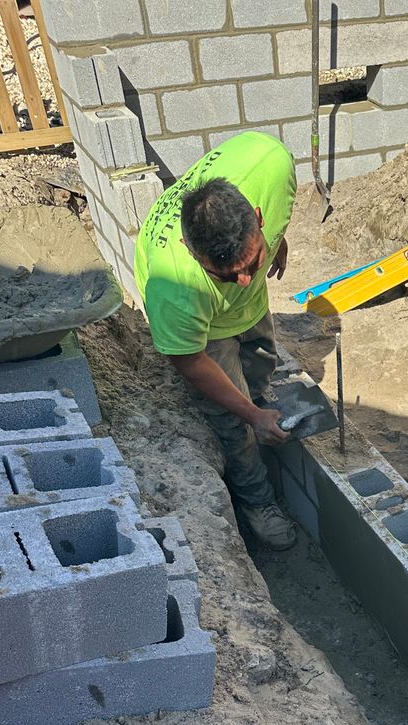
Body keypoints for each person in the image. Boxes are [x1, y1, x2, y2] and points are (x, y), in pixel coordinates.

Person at [135, 131, 297, 548]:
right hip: (200, 322)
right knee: (233, 422)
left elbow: (246, 266)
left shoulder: (272, 164)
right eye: (226, 274)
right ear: (192, 251)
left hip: (238, 264)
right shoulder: (174, 287)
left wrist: (277, 243)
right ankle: (258, 501)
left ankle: (258, 403)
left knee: (259, 363)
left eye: (252, 261)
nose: (244, 280)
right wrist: (248, 414)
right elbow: (189, 361)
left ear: (259, 217)